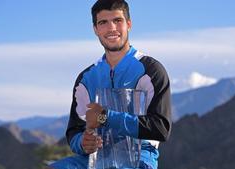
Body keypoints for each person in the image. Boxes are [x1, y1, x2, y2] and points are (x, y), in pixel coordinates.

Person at [49, 0, 172, 168]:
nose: (111, 28)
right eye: (103, 22)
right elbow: (74, 132)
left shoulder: (151, 70)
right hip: (95, 158)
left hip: (140, 158)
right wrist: (83, 143)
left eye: (117, 20)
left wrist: (105, 117)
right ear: (95, 29)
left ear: (129, 24)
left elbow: (161, 128)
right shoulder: (86, 78)